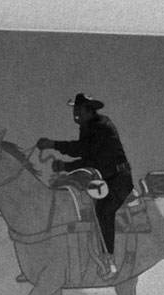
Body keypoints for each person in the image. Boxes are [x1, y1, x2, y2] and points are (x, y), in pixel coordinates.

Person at [37, 93, 134, 279]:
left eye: (79, 109)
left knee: (104, 209)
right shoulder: (88, 127)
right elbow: (89, 158)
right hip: (102, 177)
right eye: (74, 109)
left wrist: (53, 144)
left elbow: (84, 151)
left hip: (118, 179)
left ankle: (109, 260)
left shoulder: (102, 127)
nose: (75, 113)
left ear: (90, 110)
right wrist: (65, 167)